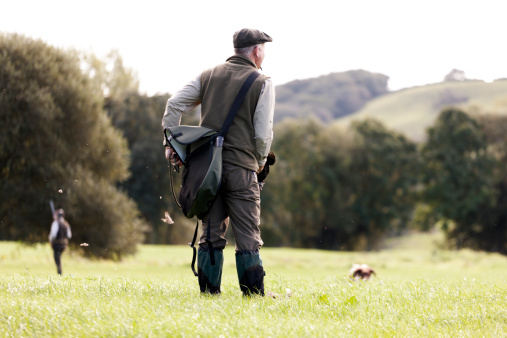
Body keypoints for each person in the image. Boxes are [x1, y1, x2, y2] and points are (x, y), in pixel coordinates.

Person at [162, 28, 275, 296]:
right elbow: (263, 134)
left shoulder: (208, 75)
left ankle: (209, 295)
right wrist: (258, 163)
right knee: (248, 237)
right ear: (257, 50)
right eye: (264, 49)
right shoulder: (263, 81)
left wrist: (172, 146)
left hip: (206, 170)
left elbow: (174, 104)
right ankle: (252, 297)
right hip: (242, 168)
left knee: (211, 234)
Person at [48, 208, 72, 275]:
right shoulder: (66, 224)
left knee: (57, 259)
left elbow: (53, 235)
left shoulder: (55, 223)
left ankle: (60, 274)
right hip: (64, 244)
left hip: (57, 244)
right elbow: (69, 236)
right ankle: (60, 273)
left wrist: (51, 241)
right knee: (58, 258)